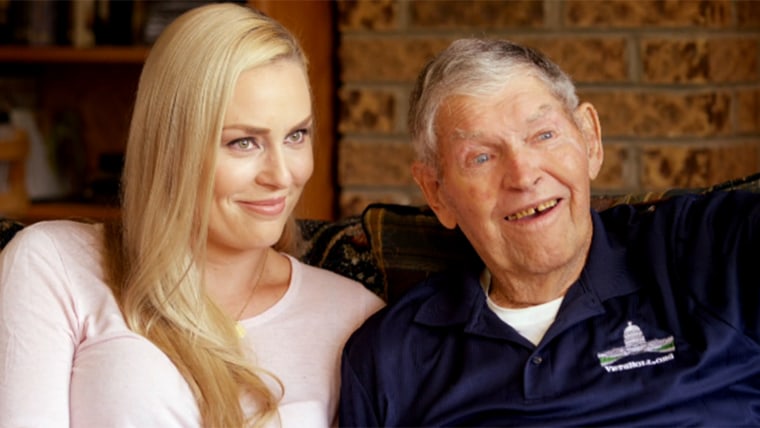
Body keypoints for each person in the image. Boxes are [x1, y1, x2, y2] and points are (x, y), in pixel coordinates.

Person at [339, 37, 760, 426]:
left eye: (543, 134)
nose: (523, 175)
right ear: (437, 193)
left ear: (590, 139)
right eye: (481, 157)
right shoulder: (392, 354)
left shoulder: (707, 248)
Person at [0, 3, 384, 427]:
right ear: (170, 149)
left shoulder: (357, 316)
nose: (282, 175)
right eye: (244, 142)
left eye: (296, 135)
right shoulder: (55, 265)